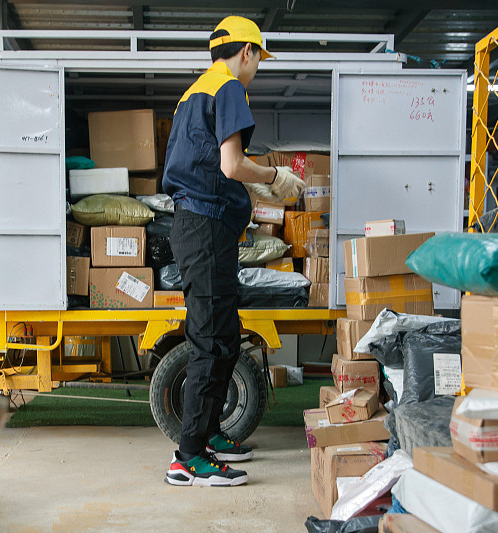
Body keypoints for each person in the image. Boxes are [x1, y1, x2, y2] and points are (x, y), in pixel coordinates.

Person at [161, 15, 305, 487]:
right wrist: (272, 178)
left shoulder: (193, 92)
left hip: (204, 228)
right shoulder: (229, 88)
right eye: (260, 57)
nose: (258, 66)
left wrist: (250, 188)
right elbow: (231, 163)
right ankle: (188, 458)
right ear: (247, 52)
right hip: (204, 230)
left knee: (224, 333)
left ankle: (210, 434)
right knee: (209, 338)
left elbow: (208, 165)